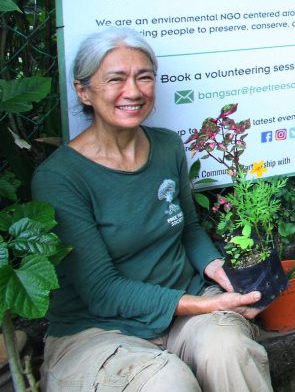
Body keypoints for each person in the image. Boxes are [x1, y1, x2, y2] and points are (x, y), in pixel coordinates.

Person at [32, 28, 273, 392]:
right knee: (166, 381)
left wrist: (219, 270)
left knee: (230, 349)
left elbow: (188, 228)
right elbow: (102, 290)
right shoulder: (59, 178)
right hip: (98, 328)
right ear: (84, 91)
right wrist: (205, 305)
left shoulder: (166, 146)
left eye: (144, 77)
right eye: (116, 79)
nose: (133, 91)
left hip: (182, 307)